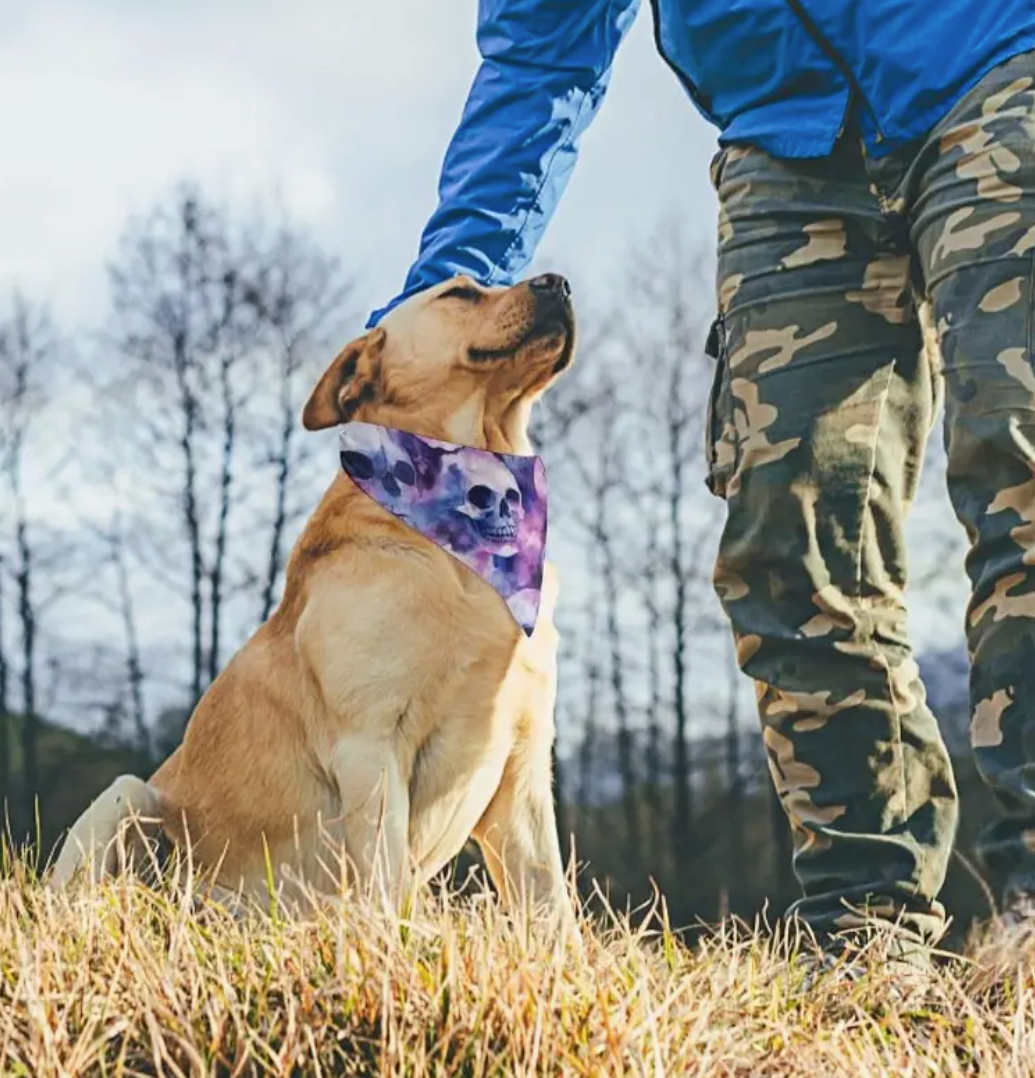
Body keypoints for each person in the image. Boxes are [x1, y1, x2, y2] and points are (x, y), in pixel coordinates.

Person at [368, 1, 1035, 970]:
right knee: (790, 538)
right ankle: (866, 931)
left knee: (1021, 466)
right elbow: (540, 58)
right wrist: (439, 309)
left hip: (994, 60)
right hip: (786, 142)